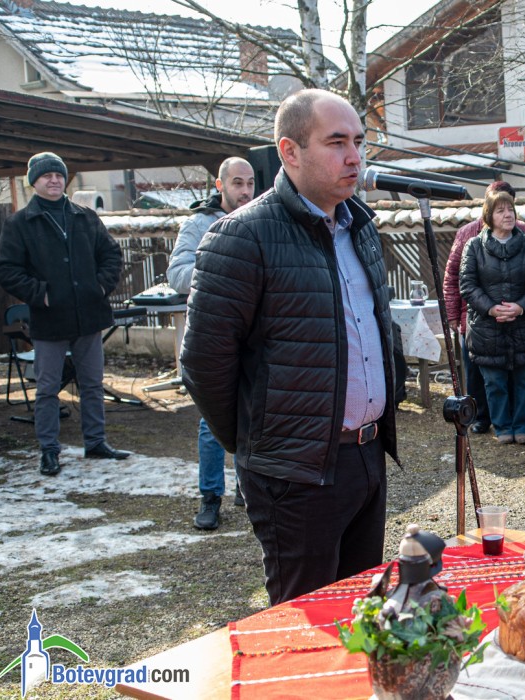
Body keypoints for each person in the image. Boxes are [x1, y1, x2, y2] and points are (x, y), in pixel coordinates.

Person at [180, 89, 398, 606]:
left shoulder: (360, 227)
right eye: (337, 142)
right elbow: (204, 363)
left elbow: (375, 328)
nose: (354, 157)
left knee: (361, 614)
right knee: (306, 623)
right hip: (294, 474)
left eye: (360, 142)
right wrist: (259, 442)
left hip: (366, 457)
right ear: (290, 151)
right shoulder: (242, 236)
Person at [0, 151, 129, 476]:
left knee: (92, 383)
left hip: (89, 315)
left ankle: (95, 442)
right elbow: (7, 269)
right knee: (47, 388)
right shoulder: (20, 223)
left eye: (58, 175)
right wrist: (40, 294)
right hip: (49, 319)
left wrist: (100, 286)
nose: (54, 180)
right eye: (47, 176)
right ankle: (49, 450)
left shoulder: (84, 216)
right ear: (34, 182)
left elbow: (111, 255)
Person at [167, 157, 255, 530]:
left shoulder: (259, 220)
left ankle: (246, 487)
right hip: (213, 338)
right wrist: (225, 273)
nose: (245, 191)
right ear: (220, 185)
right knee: (212, 421)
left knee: (253, 414)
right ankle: (210, 496)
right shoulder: (198, 224)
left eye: (250, 183)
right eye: (237, 183)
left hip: (253, 336)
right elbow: (177, 274)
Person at [444, 181, 525, 434]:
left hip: (524, 322)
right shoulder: (470, 239)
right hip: (484, 323)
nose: (507, 214)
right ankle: (490, 422)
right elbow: (460, 280)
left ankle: (522, 427)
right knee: (487, 379)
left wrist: (523, 307)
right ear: (488, 211)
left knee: (523, 379)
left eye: (510, 208)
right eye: (500, 209)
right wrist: (485, 309)